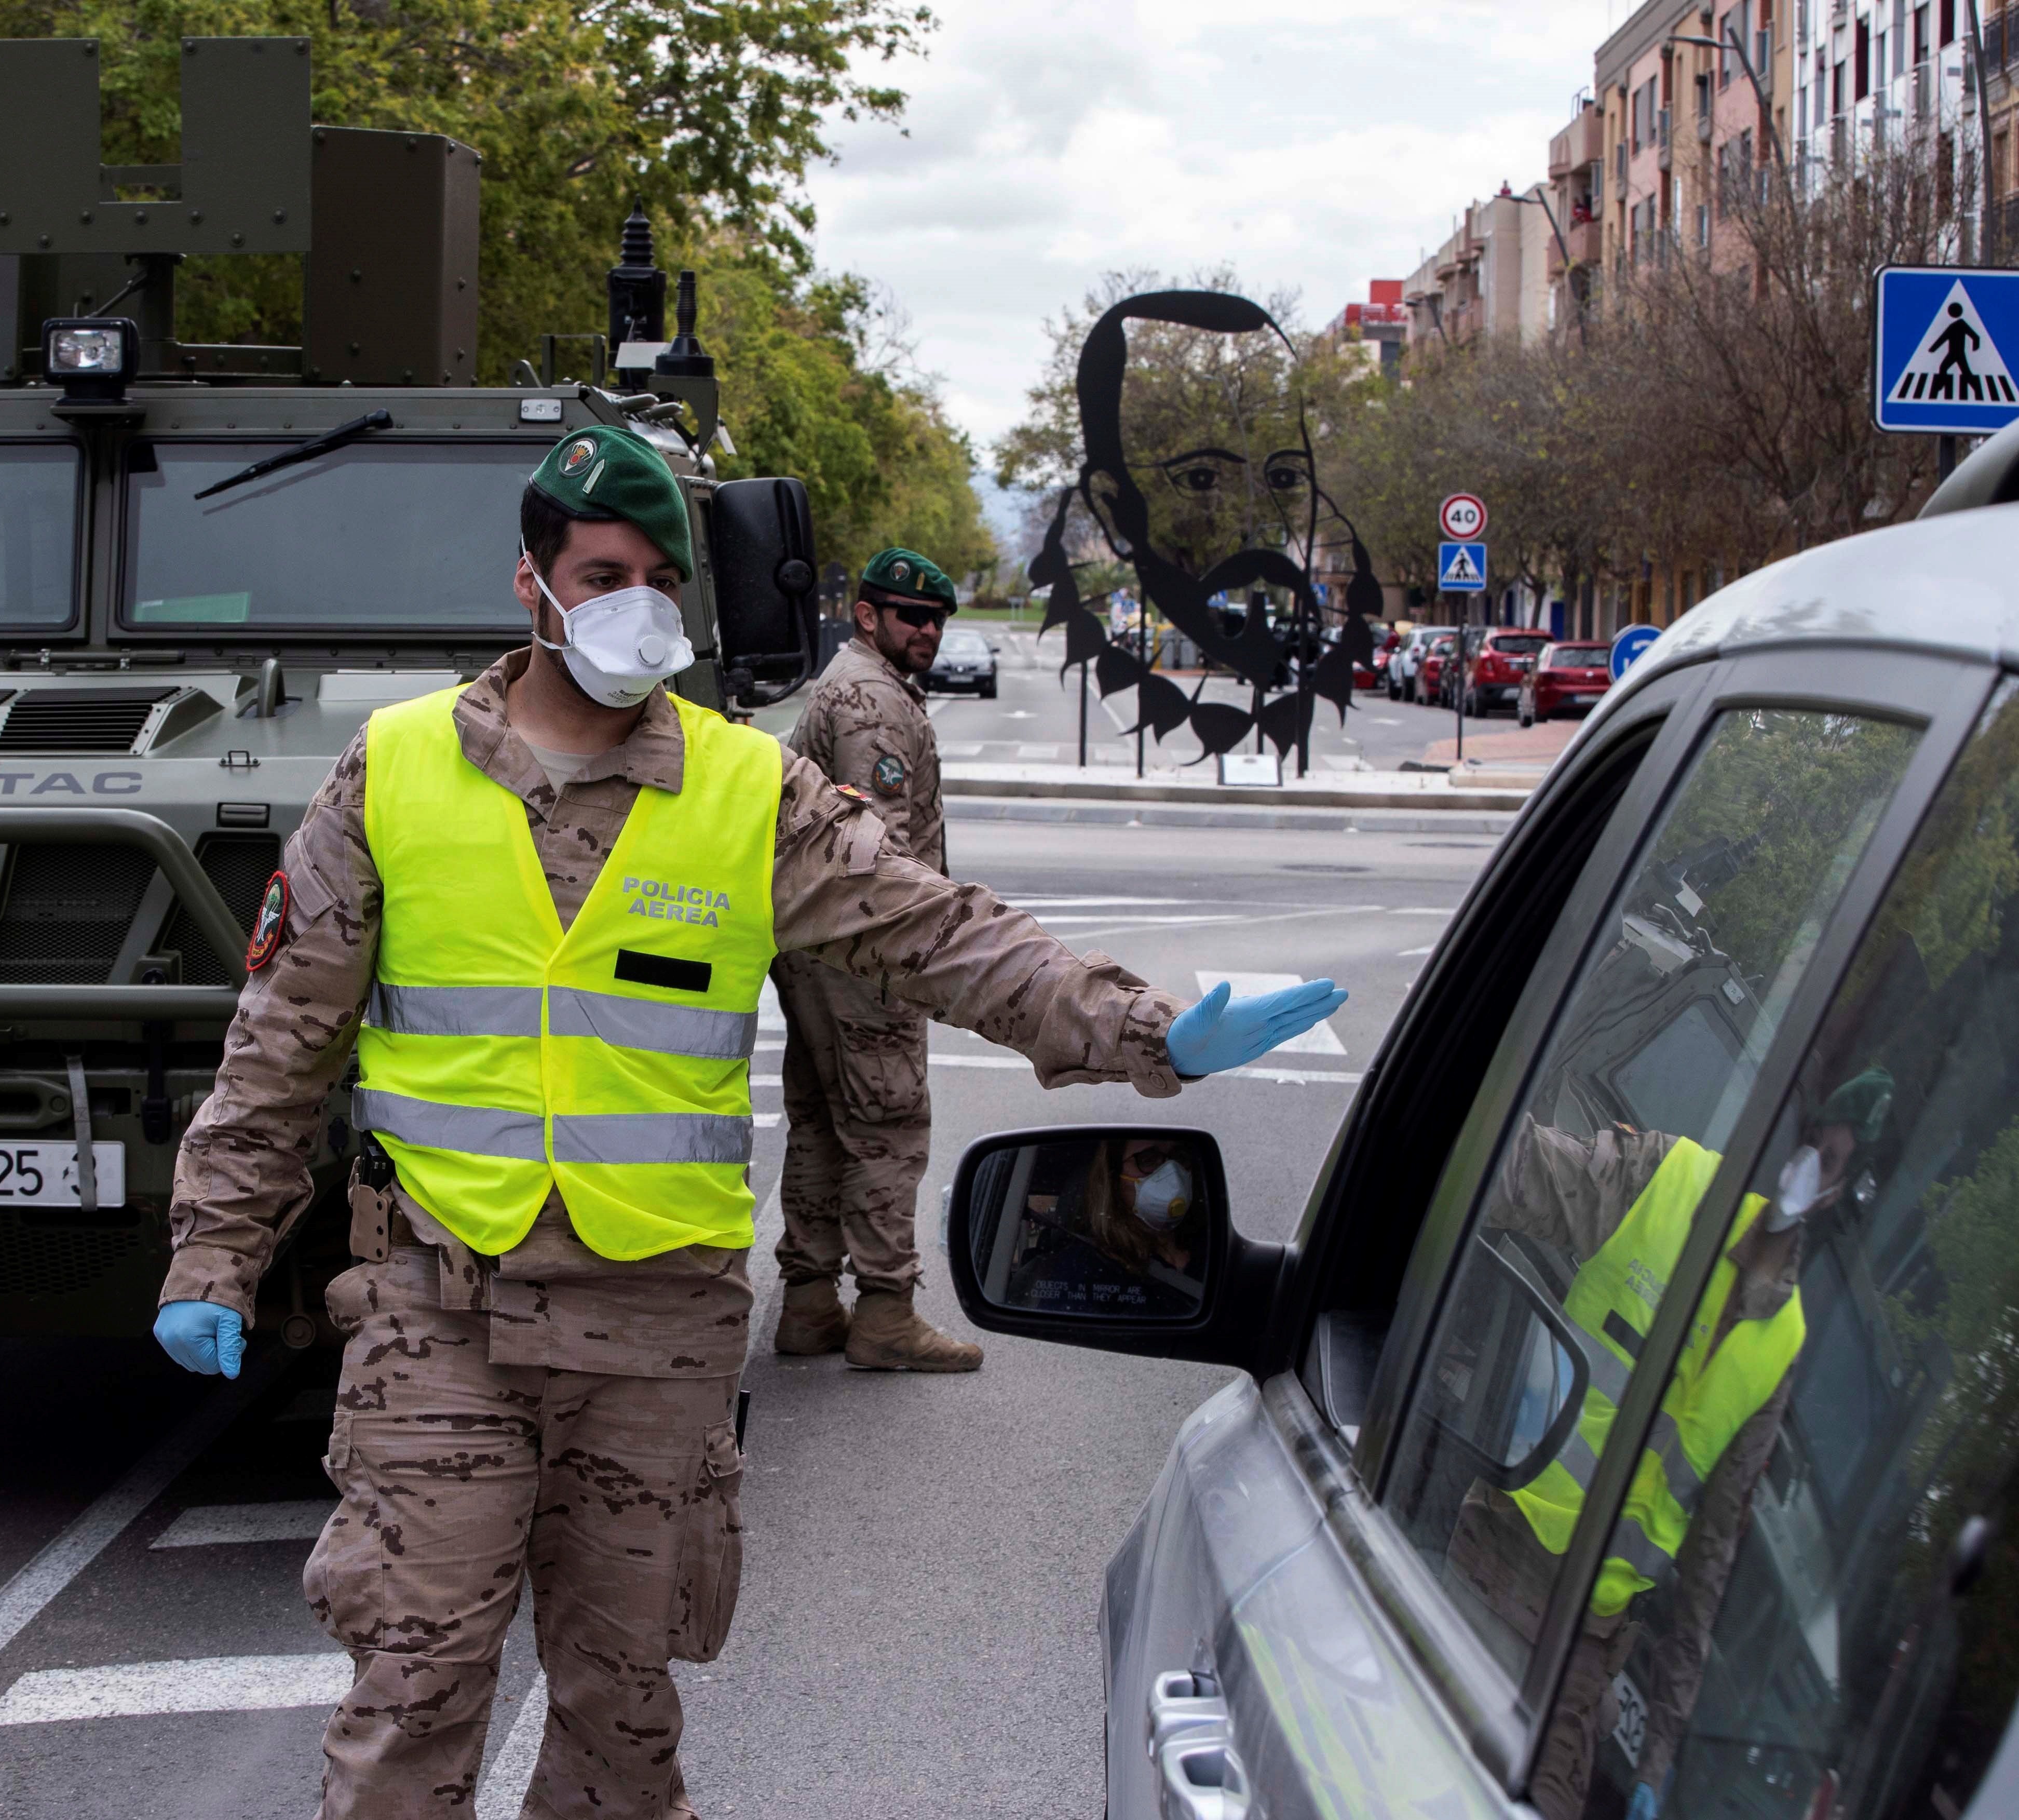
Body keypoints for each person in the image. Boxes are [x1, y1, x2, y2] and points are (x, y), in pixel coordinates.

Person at [152, 425, 1345, 1820]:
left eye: (662, 574)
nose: (635, 602)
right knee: (407, 1714)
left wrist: (1145, 1029)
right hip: (440, 1316)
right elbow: (282, 1038)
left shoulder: (745, 791)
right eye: (603, 571)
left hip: (654, 1330)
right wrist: (211, 1250)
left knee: (620, 1729)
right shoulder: (398, 768)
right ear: (531, 584)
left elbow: (939, 932)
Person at [1452, 1068, 1889, 1820]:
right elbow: (1517, 1174)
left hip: (1577, 1656)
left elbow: (1711, 1555)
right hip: (1487, 1565)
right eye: (1810, 1140)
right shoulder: (1669, 1179)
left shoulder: (1776, 1349)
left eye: (1831, 1160)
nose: (1806, 1164)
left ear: (1833, 1196)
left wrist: (1656, 1755)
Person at [769, 546, 977, 1370]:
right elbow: (880, 852)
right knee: (888, 1124)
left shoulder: (857, 685)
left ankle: (810, 1302)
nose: (928, 631)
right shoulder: (869, 700)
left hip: (818, 942)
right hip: (865, 948)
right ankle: (885, 1310)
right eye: (912, 617)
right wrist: (924, 949)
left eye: (936, 620)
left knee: (822, 1120)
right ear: (868, 616)